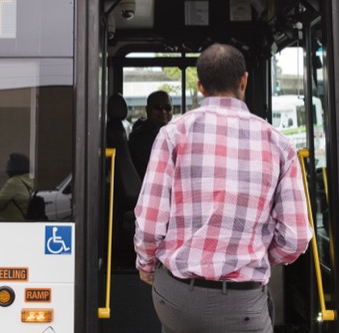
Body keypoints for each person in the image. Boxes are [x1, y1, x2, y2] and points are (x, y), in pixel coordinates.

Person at [133, 43, 312, 333]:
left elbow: (150, 223)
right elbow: (296, 237)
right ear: (244, 81)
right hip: (242, 305)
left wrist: (146, 263)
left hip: (177, 298)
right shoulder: (280, 144)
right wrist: (256, 256)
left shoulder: (172, 135)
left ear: (201, 87)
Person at [128, 90, 173, 179]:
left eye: (168, 108)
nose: (163, 111)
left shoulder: (158, 132)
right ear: (147, 110)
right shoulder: (143, 138)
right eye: (158, 107)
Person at [0, 152, 33, 221]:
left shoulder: (14, 182)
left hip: (9, 222)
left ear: (15, 166)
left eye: (8, 163)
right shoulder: (27, 181)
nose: (6, 166)